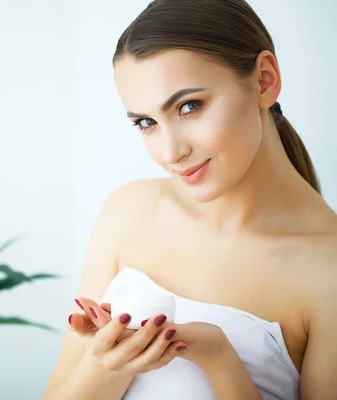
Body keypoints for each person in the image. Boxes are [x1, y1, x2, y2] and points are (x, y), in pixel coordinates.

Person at [42, 0, 337, 399]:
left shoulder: (327, 270)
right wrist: (114, 361)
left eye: (189, 106)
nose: (170, 152)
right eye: (146, 122)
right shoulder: (128, 211)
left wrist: (219, 358)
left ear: (264, 80)